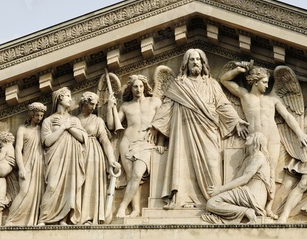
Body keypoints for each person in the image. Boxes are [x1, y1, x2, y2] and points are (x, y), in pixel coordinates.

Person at [151, 48, 248, 209]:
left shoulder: (212, 84)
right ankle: (183, 198)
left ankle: (215, 200)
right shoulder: (179, 85)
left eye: (198, 60)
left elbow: (223, 104)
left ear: (203, 63)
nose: (195, 62)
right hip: (184, 131)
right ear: (186, 64)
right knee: (183, 163)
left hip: (208, 129)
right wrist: (154, 125)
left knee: (212, 163)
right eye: (192, 60)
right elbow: (166, 106)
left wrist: (236, 120)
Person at [220, 64, 307, 219]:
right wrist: (239, 70)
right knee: (253, 170)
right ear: (255, 81)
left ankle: (268, 207)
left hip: (273, 137)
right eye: (265, 82)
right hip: (254, 139)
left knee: (271, 172)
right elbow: (224, 79)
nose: (267, 85)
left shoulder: (272, 100)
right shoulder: (245, 96)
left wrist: (300, 133)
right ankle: (251, 202)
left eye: (268, 82)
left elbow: (288, 116)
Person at [105, 76, 164, 218]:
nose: (138, 89)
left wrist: (161, 142)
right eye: (135, 87)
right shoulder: (125, 106)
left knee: (137, 174)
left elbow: (163, 122)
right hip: (127, 143)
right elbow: (112, 125)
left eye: (141, 86)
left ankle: (122, 207)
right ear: (130, 89)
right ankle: (136, 209)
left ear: (145, 87)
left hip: (146, 142)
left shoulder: (154, 102)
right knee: (131, 176)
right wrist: (109, 106)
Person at [37, 87, 87, 226]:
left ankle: (63, 219)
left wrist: (67, 126)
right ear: (60, 98)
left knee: (69, 188)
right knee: (52, 186)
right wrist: (61, 128)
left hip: (72, 158)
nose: (71, 99)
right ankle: (44, 218)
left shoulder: (74, 120)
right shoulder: (48, 121)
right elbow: (47, 141)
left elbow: (83, 137)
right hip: (55, 158)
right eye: (68, 96)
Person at [203, 132, 273, 224]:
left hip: (253, 196)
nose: (247, 137)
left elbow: (244, 179)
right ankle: (246, 211)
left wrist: (219, 190)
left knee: (211, 203)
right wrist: (222, 191)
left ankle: (247, 211)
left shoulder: (259, 157)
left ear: (256, 140)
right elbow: (237, 179)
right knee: (213, 202)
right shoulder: (248, 158)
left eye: (251, 136)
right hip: (245, 193)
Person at [78, 91, 121, 224]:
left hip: (93, 155)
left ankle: (89, 217)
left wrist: (111, 159)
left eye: (96, 105)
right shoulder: (73, 120)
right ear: (85, 102)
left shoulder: (98, 121)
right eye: (92, 104)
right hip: (76, 154)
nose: (94, 107)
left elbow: (105, 141)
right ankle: (75, 216)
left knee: (91, 184)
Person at [5, 102, 47, 226]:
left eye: (41, 115)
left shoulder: (43, 128)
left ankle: (35, 220)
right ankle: (11, 220)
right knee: (24, 192)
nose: (39, 118)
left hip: (41, 164)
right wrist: (21, 167)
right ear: (31, 115)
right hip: (27, 163)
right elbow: (18, 149)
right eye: (37, 115)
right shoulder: (22, 129)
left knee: (39, 193)